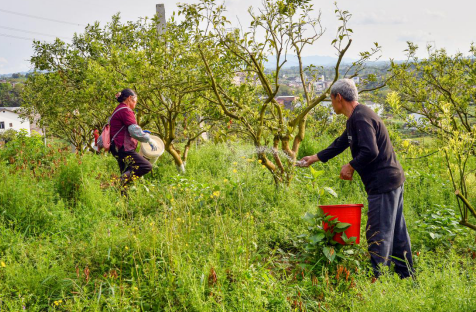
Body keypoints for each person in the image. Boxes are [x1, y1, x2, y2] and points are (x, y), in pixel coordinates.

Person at [297, 79, 414, 279]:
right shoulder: (356, 117)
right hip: (392, 180)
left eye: (331, 100)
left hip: (383, 184)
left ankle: (380, 284)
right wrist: (315, 158)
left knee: (378, 235)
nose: (332, 104)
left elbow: (370, 151)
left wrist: (350, 166)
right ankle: (407, 277)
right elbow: (341, 143)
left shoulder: (360, 118)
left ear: (338, 97)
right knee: (397, 232)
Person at [109, 88, 158, 195]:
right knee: (145, 166)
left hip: (116, 147)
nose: (136, 104)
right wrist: (148, 139)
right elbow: (133, 130)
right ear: (130, 98)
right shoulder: (125, 110)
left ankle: (123, 205)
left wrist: (141, 133)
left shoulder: (119, 109)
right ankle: (117, 182)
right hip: (123, 147)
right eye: (136, 101)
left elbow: (125, 129)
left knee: (126, 172)